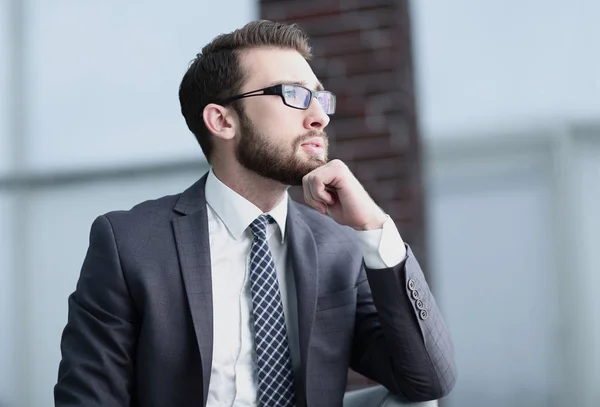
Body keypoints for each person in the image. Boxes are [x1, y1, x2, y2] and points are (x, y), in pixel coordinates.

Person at [54, 20, 456, 407]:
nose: (320, 116)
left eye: (320, 97)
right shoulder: (130, 246)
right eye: (295, 95)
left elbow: (426, 380)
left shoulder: (339, 249)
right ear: (223, 120)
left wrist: (374, 227)